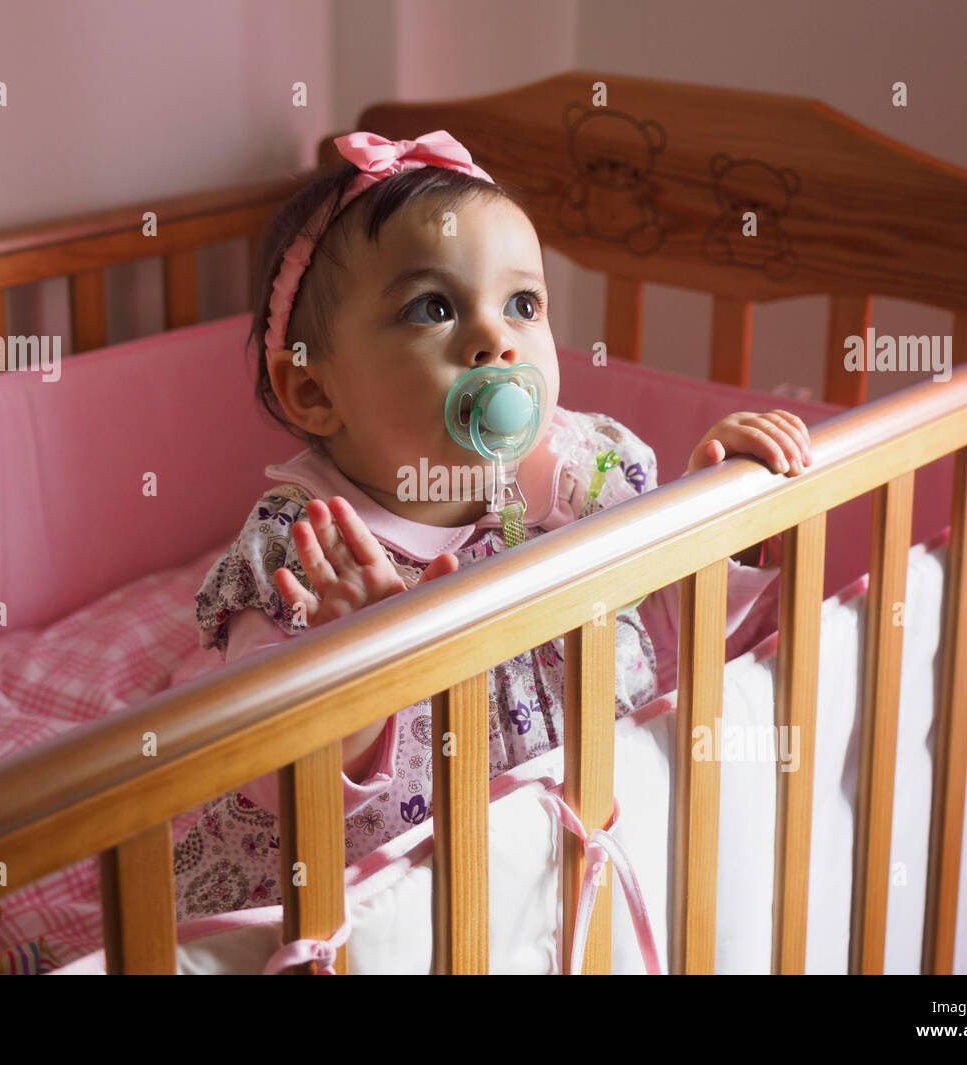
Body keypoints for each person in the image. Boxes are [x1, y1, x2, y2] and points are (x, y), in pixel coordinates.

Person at [172, 131, 813, 921]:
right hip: (389, 911)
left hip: (564, 866)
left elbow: (664, 640)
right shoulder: (307, 549)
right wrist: (360, 679)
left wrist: (720, 519)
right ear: (313, 390)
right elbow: (267, 777)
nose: (495, 338)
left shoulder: (583, 473)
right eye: (433, 308)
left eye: (523, 304)